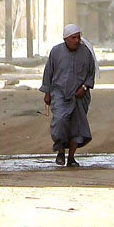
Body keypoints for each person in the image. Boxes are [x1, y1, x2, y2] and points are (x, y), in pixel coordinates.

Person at [40, 23, 95, 167]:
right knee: (59, 121)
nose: (77, 40)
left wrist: (84, 87)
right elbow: (48, 73)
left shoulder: (86, 52)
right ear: (66, 39)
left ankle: (71, 157)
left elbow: (91, 73)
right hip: (59, 93)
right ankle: (60, 151)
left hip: (79, 95)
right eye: (74, 38)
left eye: (78, 37)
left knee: (77, 127)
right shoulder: (56, 52)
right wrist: (47, 92)